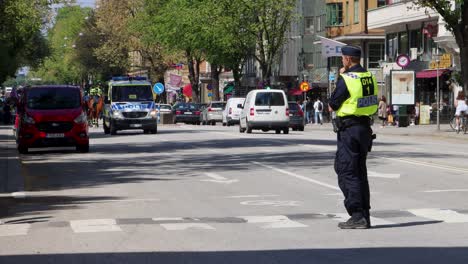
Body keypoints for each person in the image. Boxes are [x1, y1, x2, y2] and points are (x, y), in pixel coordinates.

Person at [328, 45, 378, 229]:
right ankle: (365, 214)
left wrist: (341, 77)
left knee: (347, 170)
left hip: (349, 129)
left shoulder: (347, 79)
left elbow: (332, 104)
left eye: (342, 58)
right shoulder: (370, 77)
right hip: (364, 128)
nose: (342, 61)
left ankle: (357, 215)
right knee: (359, 172)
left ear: (348, 60)